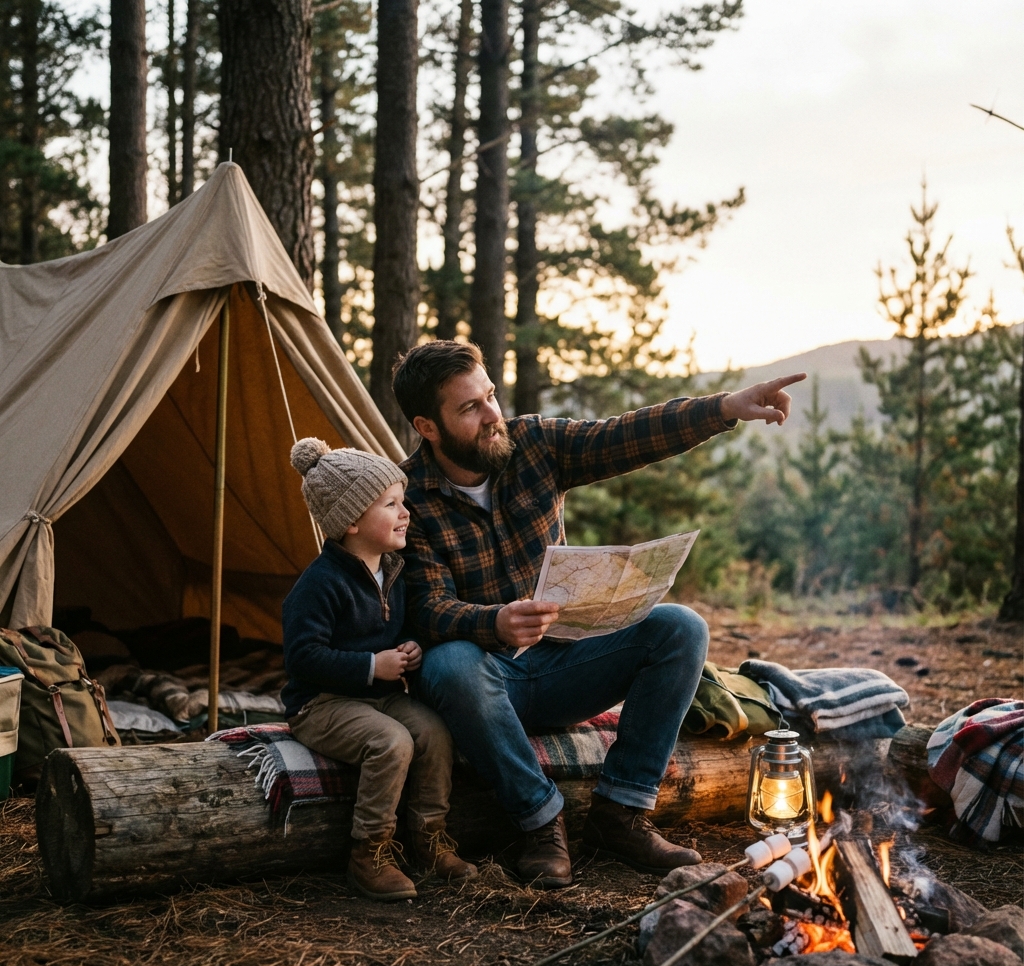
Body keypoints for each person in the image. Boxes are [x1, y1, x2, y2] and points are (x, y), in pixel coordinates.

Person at [392, 341, 805, 888]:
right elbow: (426, 608)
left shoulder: (534, 444)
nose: (493, 415)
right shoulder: (408, 497)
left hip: (568, 665)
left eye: (490, 396)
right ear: (428, 426)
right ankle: (542, 824)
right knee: (450, 664)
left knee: (680, 627)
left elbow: (625, 435)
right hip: (488, 686)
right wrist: (492, 622)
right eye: (470, 408)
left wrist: (725, 408)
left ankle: (621, 814)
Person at [281, 437, 477, 901]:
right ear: (350, 522)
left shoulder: (392, 569)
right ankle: (369, 852)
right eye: (391, 504)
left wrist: (409, 647)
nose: (405, 512)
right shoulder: (320, 584)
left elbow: (402, 626)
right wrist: (373, 665)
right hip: (321, 703)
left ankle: (429, 837)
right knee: (391, 742)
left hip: (375, 696)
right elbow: (303, 657)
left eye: (402, 500)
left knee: (433, 731)